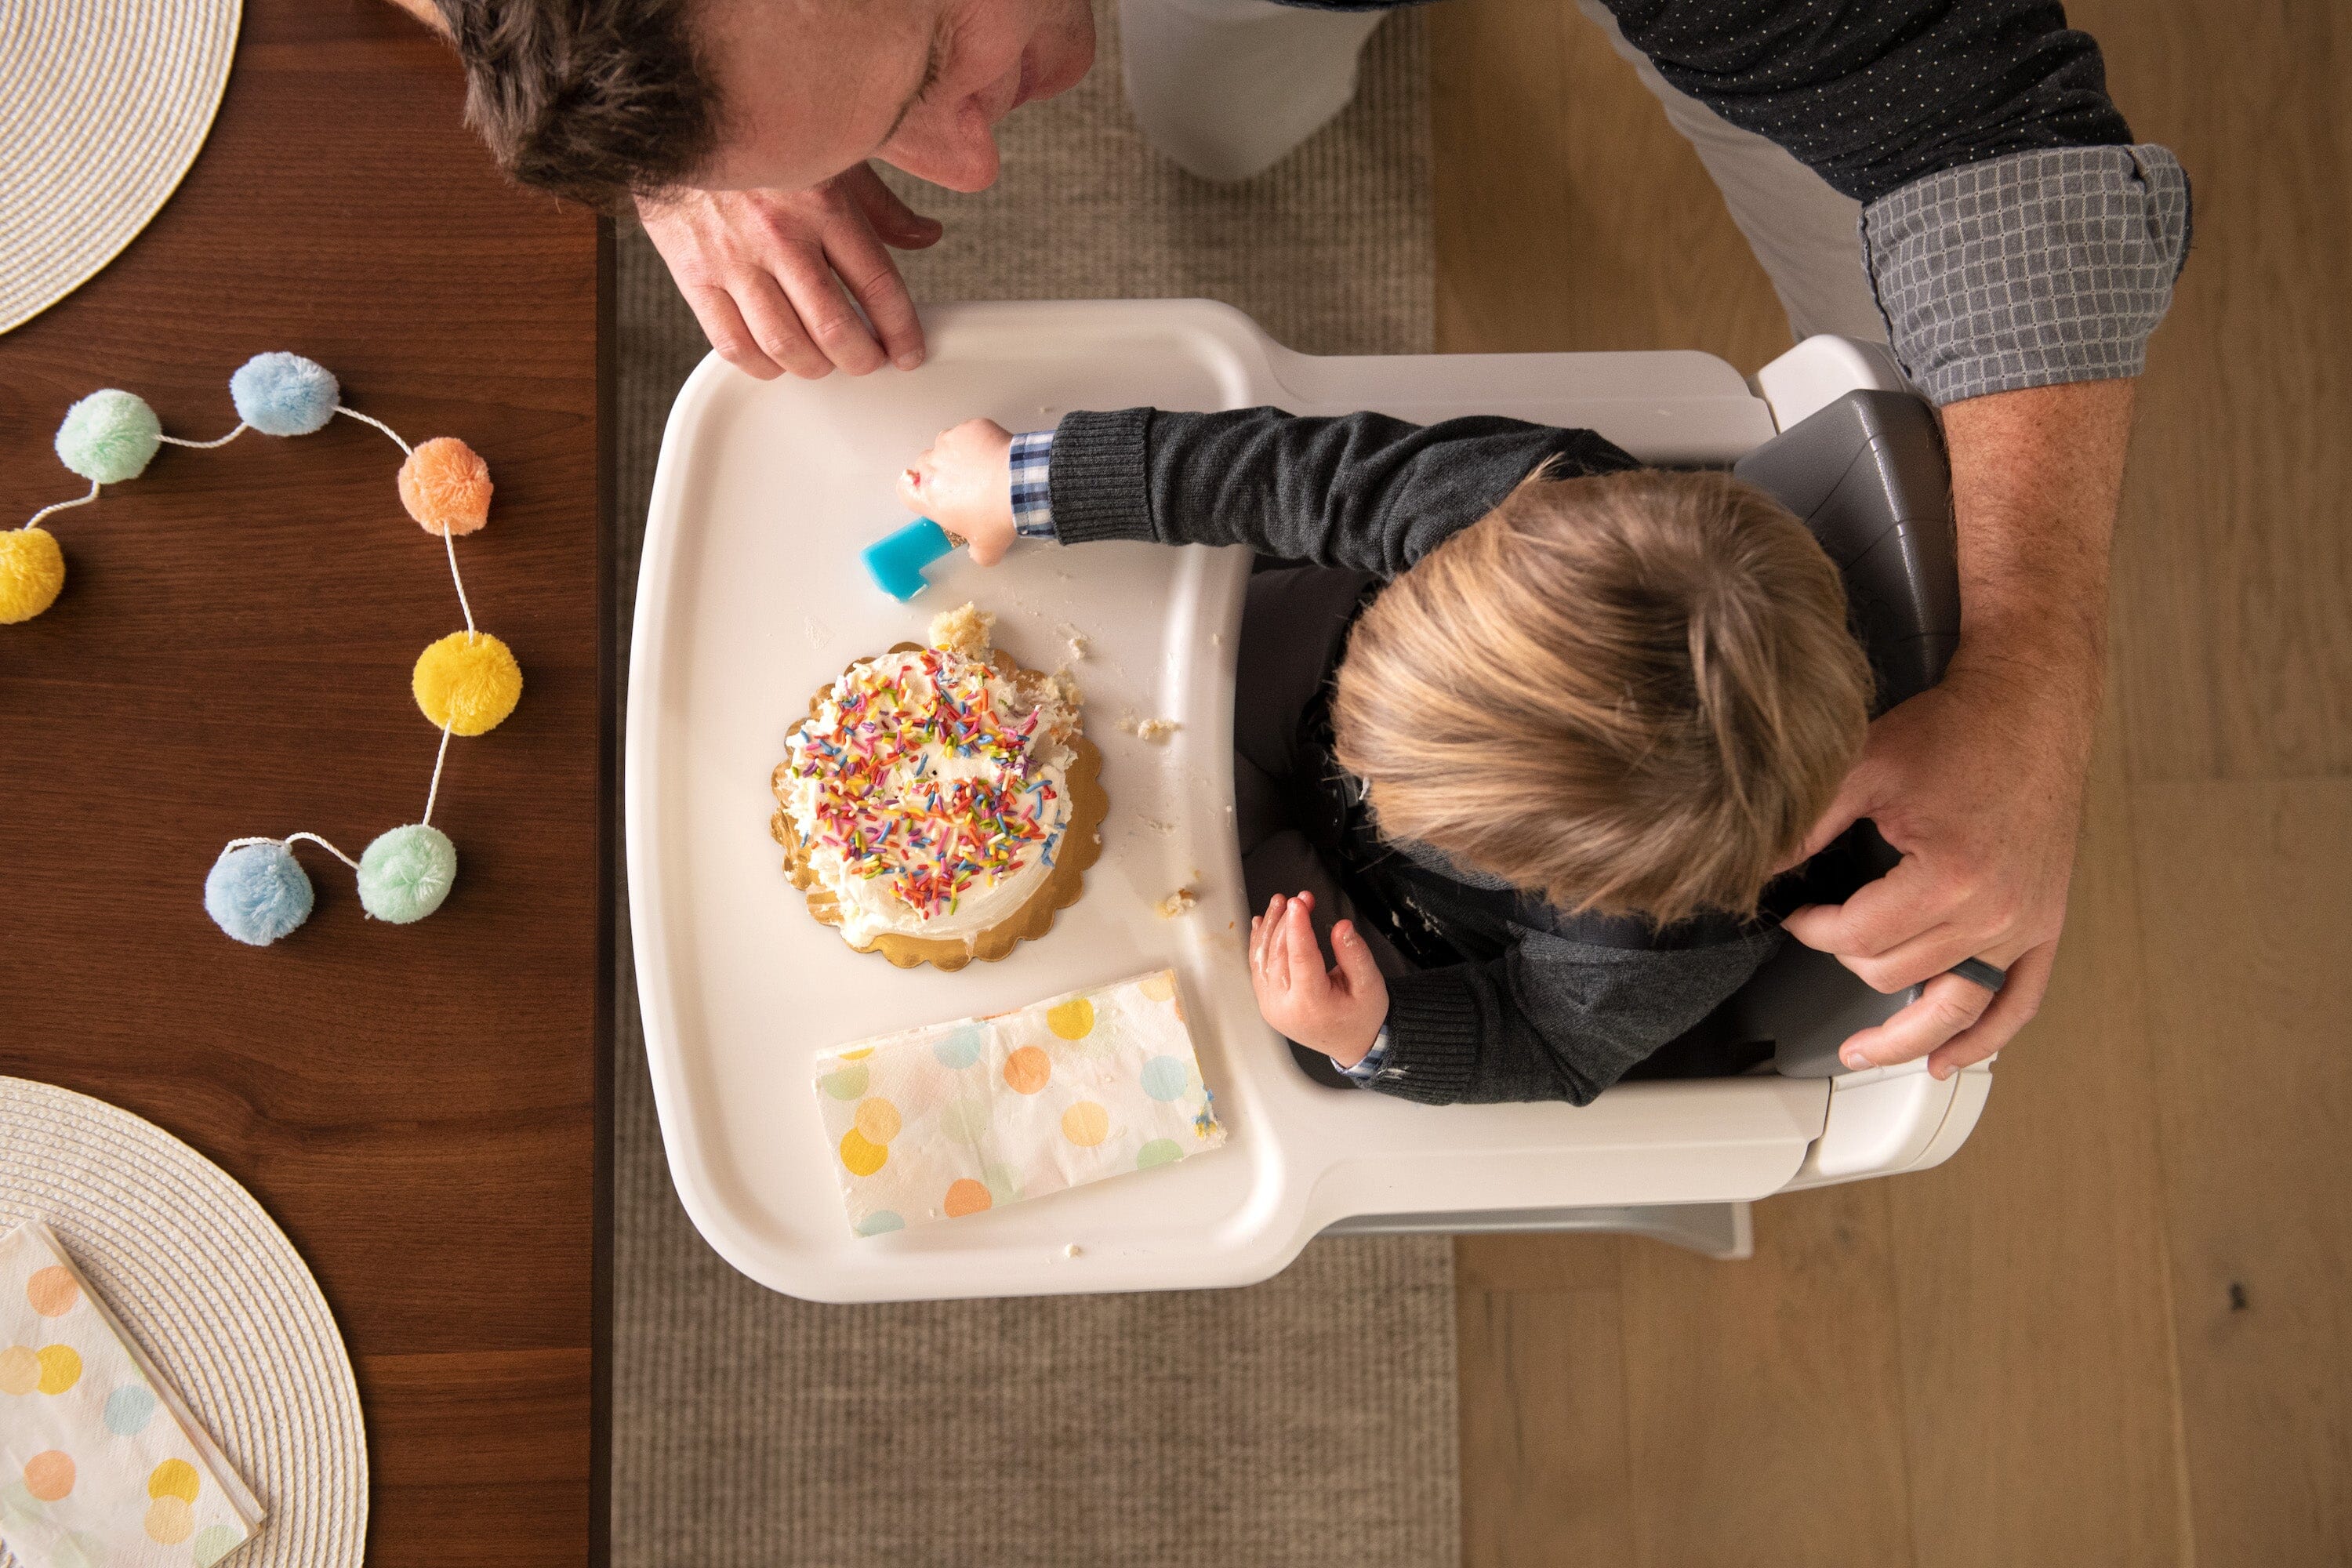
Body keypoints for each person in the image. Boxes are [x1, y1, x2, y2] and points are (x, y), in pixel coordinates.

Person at [397, 0, 2192, 1082]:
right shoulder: (1494, 513)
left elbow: (1986, 138)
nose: (970, 164)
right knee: (1210, 104)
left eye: (937, 59)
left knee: (1909, 424)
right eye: (893, 109)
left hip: (1910, 96)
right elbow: (1305, 475)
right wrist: (693, 122)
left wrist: (2026, 666)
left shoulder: (1639, 941)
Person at [898, 405, 1872, 1100]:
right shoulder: (1533, 508)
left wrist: (1374, 1038)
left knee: (1203, 1006)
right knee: (1140, 667)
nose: (1364, 778)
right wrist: (1039, 476)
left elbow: (1547, 1040)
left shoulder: (1660, 938)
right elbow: (1305, 475)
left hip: (1400, 922)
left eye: (1394, 777)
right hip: (1311, 652)